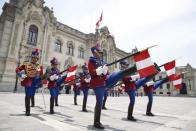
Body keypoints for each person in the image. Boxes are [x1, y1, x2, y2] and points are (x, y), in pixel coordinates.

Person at [88, 43, 137, 129]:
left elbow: (107, 73)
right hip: (98, 84)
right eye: (99, 52)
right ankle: (96, 122)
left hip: (105, 81)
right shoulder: (91, 60)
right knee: (99, 101)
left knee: (116, 74)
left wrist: (106, 72)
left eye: (101, 53)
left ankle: (134, 68)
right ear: (95, 52)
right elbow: (92, 72)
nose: (101, 54)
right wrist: (99, 70)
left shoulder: (102, 62)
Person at [15, 49, 43, 116]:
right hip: (28, 81)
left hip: (35, 83)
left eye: (36, 58)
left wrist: (41, 81)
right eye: (34, 58)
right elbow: (17, 69)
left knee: (31, 95)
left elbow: (40, 75)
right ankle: (27, 111)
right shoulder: (26, 64)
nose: (35, 59)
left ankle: (29, 106)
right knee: (28, 95)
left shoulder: (39, 66)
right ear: (31, 57)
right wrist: (21, 74)